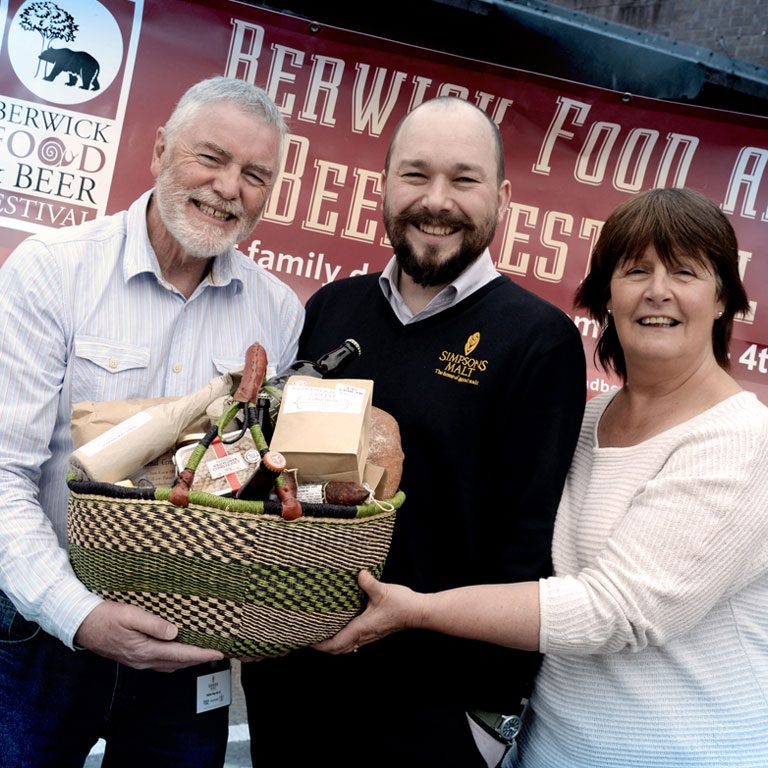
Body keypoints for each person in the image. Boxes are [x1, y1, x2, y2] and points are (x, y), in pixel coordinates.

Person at [316, 186, 768, 768]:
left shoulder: (740, 441)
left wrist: (417, 610)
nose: (658, 290)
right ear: (606, 295)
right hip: (549, 748)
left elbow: (615, 609)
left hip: (686, 752)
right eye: (635, 270)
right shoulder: (592, 419)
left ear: (725, 298)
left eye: (685, 271)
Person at [242, 97, 586, 767]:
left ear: (501, 196)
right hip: (292, 682)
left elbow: (528, 544)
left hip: (429, 712)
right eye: (415, 175)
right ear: (384, 183)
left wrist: (486, 721)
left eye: (463, 180)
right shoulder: (331, 308)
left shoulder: (538, 341)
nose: (436, 201)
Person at [0, 76, 303, 767]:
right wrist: (80, 616)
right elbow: (3, 475)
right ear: (160, 149)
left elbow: (255, 484)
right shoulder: (51, 272)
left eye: (255, 175)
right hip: (42, 626)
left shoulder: (279, 313)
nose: (230, 188)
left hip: (188, 647)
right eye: (211, 158)